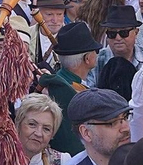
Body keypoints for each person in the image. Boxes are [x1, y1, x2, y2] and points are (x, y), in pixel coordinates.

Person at [38, 21, 98, 153]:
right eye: (95, 50)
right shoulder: (72, 92)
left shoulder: (58, 84)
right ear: (87, 58)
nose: (97, 53)